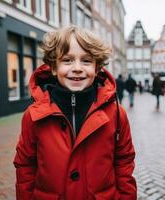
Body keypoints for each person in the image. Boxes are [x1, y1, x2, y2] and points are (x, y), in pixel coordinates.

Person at [13, 26, 137, 200]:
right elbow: (25, 166)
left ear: (97, 68)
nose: (77, 68)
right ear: (54, 68)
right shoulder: (33, 116)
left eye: (86, 61)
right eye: (67, 60)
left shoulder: (116, 114)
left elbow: (124, 162)